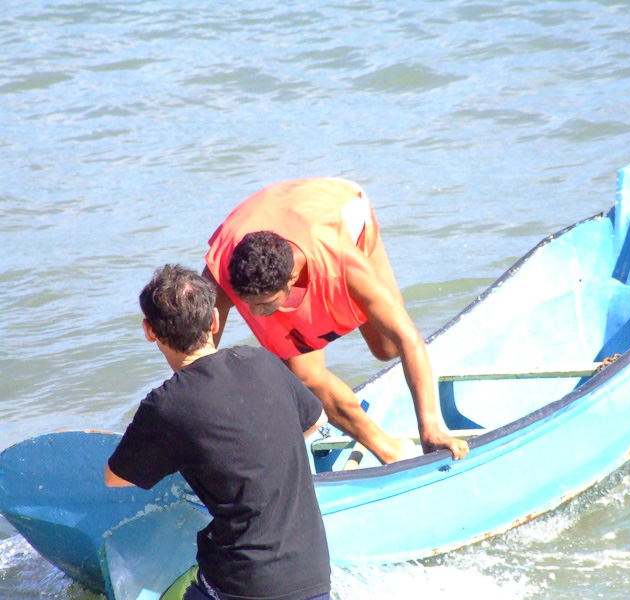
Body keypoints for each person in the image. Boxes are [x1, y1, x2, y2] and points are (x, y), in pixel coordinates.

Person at [202, 177, 469, 465]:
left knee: (387, 347)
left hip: (339, 210)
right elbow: (197, 354)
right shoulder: (225, 268)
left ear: (292, 279)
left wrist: (430, 428)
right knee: (305, 375)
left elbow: (408, 338)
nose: (254, 315)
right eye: (247, 304)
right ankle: (387, 449)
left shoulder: (342, 260)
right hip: (257, 219)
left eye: (263, 305)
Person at [105, 264, 331, 600]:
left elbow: (115, 477)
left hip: (242, 584)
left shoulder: (166, 406)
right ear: (214, 319)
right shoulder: (263, 361)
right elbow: (316, 421)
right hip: (313, 575)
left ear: (149, 330)